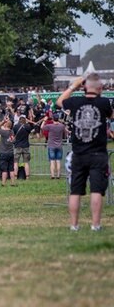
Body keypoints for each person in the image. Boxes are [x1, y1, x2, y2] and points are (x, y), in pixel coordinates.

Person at [56, 73, 112, 232]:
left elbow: (59, 102)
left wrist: (74, 86)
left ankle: (74, 225)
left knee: (75, 191)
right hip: (98, 153)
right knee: (96, 190)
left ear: (84, 87)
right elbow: (111, 115)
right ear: (100, 88)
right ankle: (95, 225)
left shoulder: (75, 101)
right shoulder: (103, 102)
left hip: (78, 153)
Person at [41, 114, 68, 179]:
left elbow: (42, 127)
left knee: (52, 161)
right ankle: (58, 175)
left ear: (53, 119)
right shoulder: (61, 126)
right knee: (58, 161)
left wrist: (44, 120)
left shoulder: (50, 126)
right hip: (59, 145)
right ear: (58, 119)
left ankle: (52, 175)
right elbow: (66, 131)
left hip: (51, 145)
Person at [12, 115, 33, 180]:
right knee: (26, 162)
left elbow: (14, 134)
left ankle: (15, 176)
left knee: (16, 162)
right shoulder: (27, 126)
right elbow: (30, 131)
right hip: (25, 146)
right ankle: (27, 177)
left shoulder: (15, 127)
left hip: (17, 145)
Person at [0, 117, 16, 187]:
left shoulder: (3, 132)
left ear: (5, 124)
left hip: (3, 153)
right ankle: (13, 182)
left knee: (4, 169)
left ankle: (3, 183)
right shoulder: (12, 132)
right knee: (11, 169)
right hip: (11, 152)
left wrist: (2, 122)